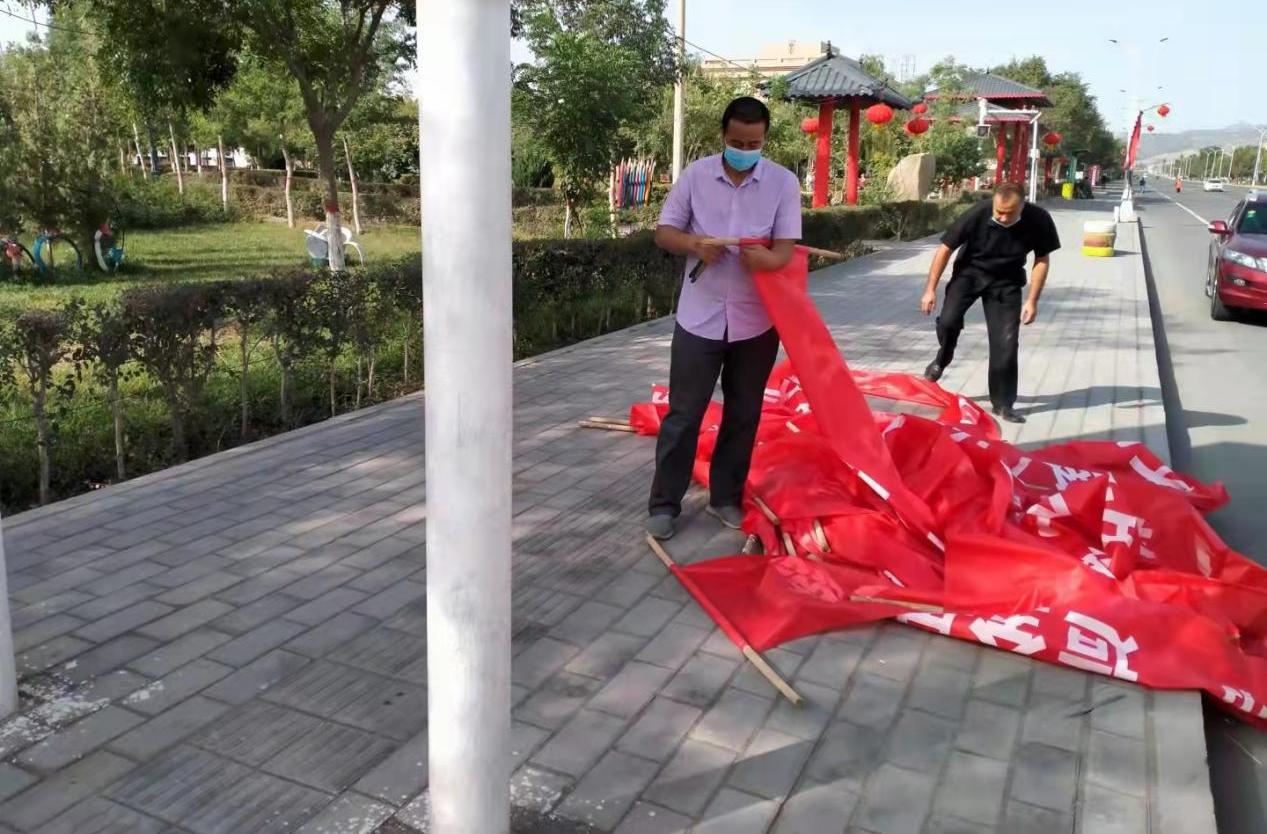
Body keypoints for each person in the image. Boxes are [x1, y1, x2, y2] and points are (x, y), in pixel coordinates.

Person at [646, 96, 801, 541]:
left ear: (764, 139)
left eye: (753, 142)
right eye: (737, 141)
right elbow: (664, 233)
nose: (745, 149)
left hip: (756, 321)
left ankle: (725, 497)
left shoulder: (783, 183)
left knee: (744, 412)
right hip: (699, 316)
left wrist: (767, 261)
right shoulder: (695, 176)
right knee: (684, 413)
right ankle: (663, 505)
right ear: (723, 136)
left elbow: (787, 248)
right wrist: (695, 245)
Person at [919, 181, 1060, 423]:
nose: (1003, 218)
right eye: (999, 212)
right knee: (949, 321)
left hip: (1007, 282)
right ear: (993, 203)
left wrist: (1032, 301)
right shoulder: (977, 213)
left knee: (1005, 343)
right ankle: (943, 358)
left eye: (1010, 213)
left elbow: (1042, 259)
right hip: (969, 274)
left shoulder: (1039, 219)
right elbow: (945, 249)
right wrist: (930, 290)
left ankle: (1003, 403)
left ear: (1022, 207)